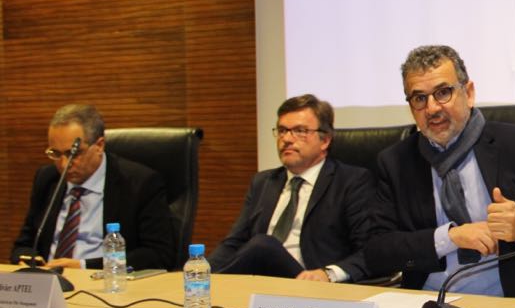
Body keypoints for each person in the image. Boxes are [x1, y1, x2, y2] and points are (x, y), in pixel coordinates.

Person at [356, 45, 515, 299]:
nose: (432, 108)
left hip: (509, 303)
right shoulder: (396, 162)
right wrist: (450, 237)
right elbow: (375, 251)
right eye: (419, 98)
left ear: (469, 93)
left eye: (443, 93)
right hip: (428, 304)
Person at [209, 94, 374, 281]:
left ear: (325, 141)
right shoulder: (263, 182)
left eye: (300, 131)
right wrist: (199, 273)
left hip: (310, 282)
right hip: (260, 283)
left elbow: (369, 250)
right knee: (259, 247)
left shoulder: (351, 182)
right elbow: (233, 243)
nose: (287, 139)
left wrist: (328, 274)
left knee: (263, 245)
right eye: (282, 130)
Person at [10, 104, 176, 271]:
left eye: (74, 154)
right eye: (56, 154)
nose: (64, 164)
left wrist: (84, 266)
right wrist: (27, 260)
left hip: (103, 281)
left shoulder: (139, 183)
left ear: (99, 145)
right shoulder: (47, 179)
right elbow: (25, 244)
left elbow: (158, 255)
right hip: (48, 280)